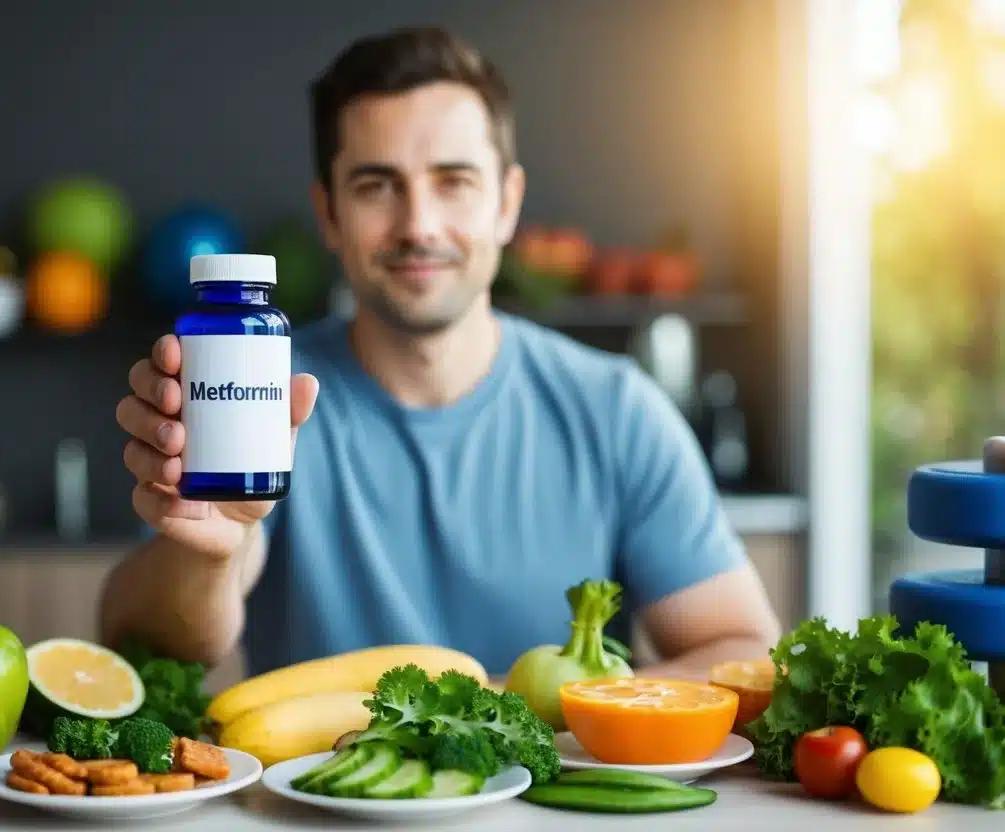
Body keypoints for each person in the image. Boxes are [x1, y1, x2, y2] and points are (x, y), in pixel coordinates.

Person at [100, 25, 782, 682]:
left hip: (563, 801)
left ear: (506, 203)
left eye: (453, 181)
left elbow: (741, 647)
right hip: (325, 801)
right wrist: (209, 559)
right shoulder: (257, 397)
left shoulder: (615, 410)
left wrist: (528, 706)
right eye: (376, 185)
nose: (418, 225)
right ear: (329, 215)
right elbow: (137, 648)